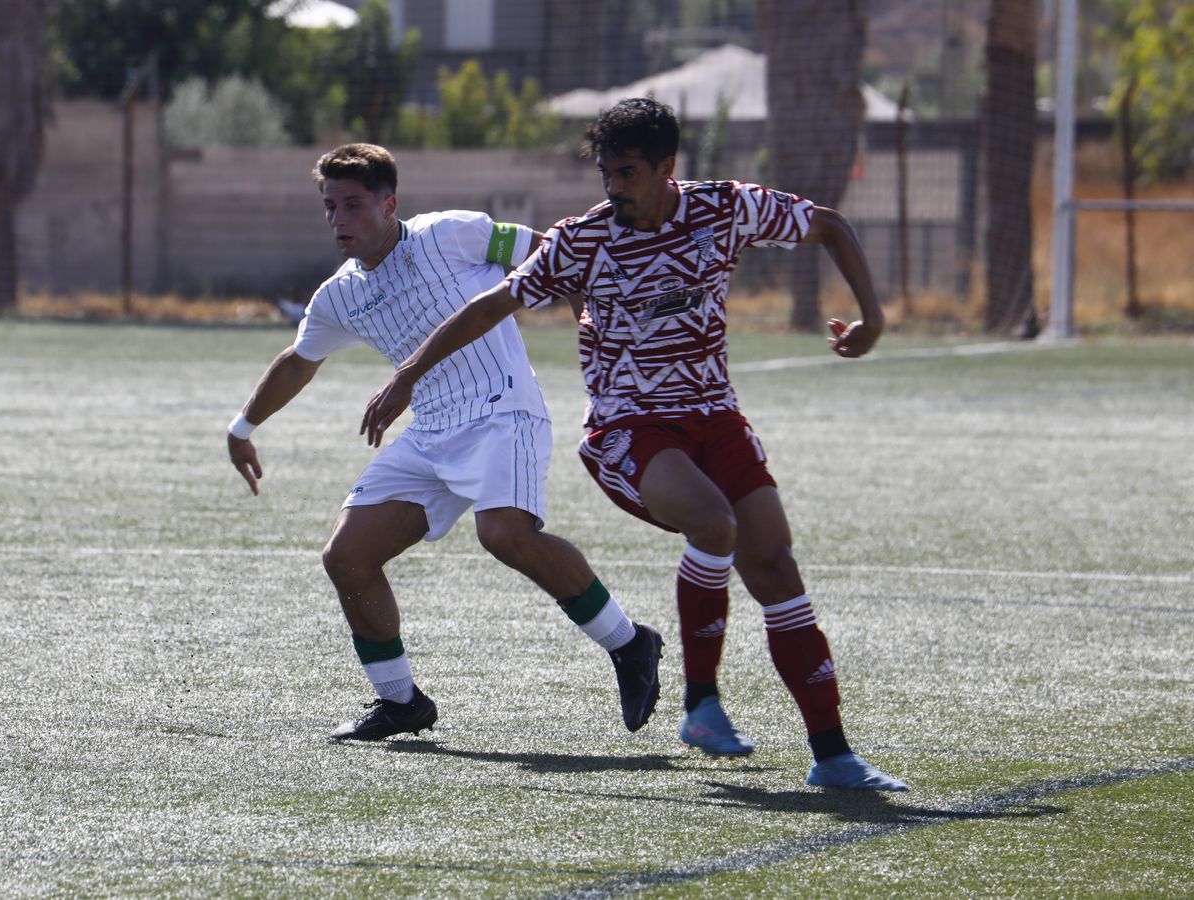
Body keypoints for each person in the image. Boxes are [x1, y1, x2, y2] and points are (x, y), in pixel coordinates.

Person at [362, 100, 908, 791]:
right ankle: (702, 704)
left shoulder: (724, 209)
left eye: (626, 173)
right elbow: (493, 304)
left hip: (716, 417)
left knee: (773, 562)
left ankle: (833, 755)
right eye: (605, 173)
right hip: (629, 429)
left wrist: (874, 317)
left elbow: (829, 226)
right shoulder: (581, 240)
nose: (612, 187)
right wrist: (410, 373)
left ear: (666, 169)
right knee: (715, 523)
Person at [227, 143, 664, 742]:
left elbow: (553, 253)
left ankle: (630, 642)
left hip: (502, 409)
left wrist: (590, 320)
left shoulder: (452, 233)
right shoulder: (339, 295)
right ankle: (401, 702)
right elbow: (298, 363)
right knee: (347, 556)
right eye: (330, 207)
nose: (338, 220)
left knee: (505, 535)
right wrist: (243, 427)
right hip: (431, 429)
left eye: (353, 206)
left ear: (390, 204)